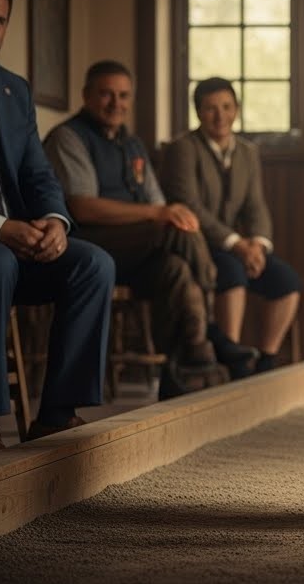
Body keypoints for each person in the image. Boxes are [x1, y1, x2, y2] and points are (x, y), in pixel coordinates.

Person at [0, 0, 114, 457]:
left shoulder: (12, 90)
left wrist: (56, 223)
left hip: (19, 236)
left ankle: (57, 414)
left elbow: (38, 173)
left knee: (93, 263)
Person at [43, 61, 258, 395]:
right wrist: (158, 213)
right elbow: (82, 207)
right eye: (106, 94)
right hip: (89, 243)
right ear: (86, 95)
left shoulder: (132, 144)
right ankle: (211, 333)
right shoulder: (68, 137)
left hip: (139, 248)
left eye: (124, 96)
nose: (116, 103)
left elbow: (160, 202)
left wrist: (165, 213)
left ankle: (176, 381)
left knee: (176, 269)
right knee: (176, 229)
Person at [161, 77, 301, 374]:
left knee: (286, 280)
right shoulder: (182, 148)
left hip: (239, 247)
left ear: (236, 110)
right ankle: (232, 360)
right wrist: (237, 244)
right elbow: (189, 205)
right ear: (198, 112)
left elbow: (255, 205)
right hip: (196, 244)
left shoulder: (248, 153)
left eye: (226, 107)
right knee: (232, 271)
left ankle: (265, 361)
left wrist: (259, 245)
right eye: (210, 108)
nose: (220, 115)